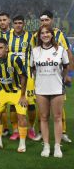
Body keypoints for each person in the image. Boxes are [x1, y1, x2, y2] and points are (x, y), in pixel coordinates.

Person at [33, 10, 73, 143]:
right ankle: (40, 132)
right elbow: (33, 59)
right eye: (42, 21)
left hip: (56, 78)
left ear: (52, 20)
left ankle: (62, 133)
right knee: (42, 110)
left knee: (59, 110)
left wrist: (68, 75)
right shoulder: (35, 36)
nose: (44, 23)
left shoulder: (60, 34)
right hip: (42, 79)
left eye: (47, 20)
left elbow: (68, 54)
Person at [0, 38, 28, 153]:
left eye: (1, 48)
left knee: (21, 117)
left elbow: (23, 77)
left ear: (6, 49)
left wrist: (23, 95)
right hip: (2, 92)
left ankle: (22, 144)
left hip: (17, 92)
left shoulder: (14, 59)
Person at [30, 26, 69, 158]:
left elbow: (65, 67)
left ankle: (57, 147)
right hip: (41, 89)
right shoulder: (35, 51)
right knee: (44, 117)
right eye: (42, 33)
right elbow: (32, 69)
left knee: (57, 117)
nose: (45, 35)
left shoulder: (60, 50)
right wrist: (40, 79)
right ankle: (46, 146)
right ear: (39, 36)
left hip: (57, 88)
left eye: (47, 32)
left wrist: (60, 80)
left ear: (52, 35)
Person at [6, 15, 36, 140]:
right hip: (12, 75)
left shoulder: (30, 37)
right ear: (13, 24)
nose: (18, 25)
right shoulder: (7, 36)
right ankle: (15, 130)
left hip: (28, 74)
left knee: (30, 103)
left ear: (24, 24)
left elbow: (35, 53)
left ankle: (31, 128)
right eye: (16, 23)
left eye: (20, 23)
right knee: (13, 103)